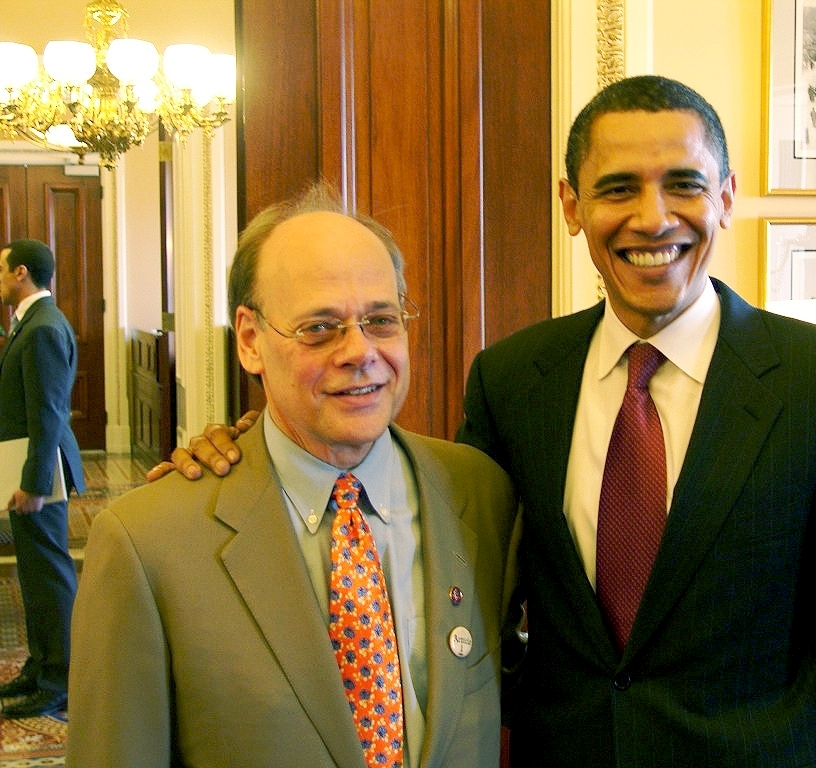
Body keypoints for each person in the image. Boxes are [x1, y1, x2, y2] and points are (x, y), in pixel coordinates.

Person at [158, 76, 816, 767]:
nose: (652, 217)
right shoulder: (514, 380)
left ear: (726, 197)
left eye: (685, 185)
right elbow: (444, 555)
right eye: (619, 187)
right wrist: (247, 449)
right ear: (572, 205)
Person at [67, 184, 518, 767]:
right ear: (251, 340)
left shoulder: (480, 492)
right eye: (320, 328)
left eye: (381, 319)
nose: (360, 351)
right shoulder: (145, 544)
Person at [0, 239, 85, 719]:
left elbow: (48, 413)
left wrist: (33, 485)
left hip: (42, 474)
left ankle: (60, 680)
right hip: (31, 468)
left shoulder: (43, 329)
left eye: (1, 269)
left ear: (21, 273)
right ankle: (40, 666)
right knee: (35, 573)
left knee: (50, 575)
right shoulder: (30, 323)